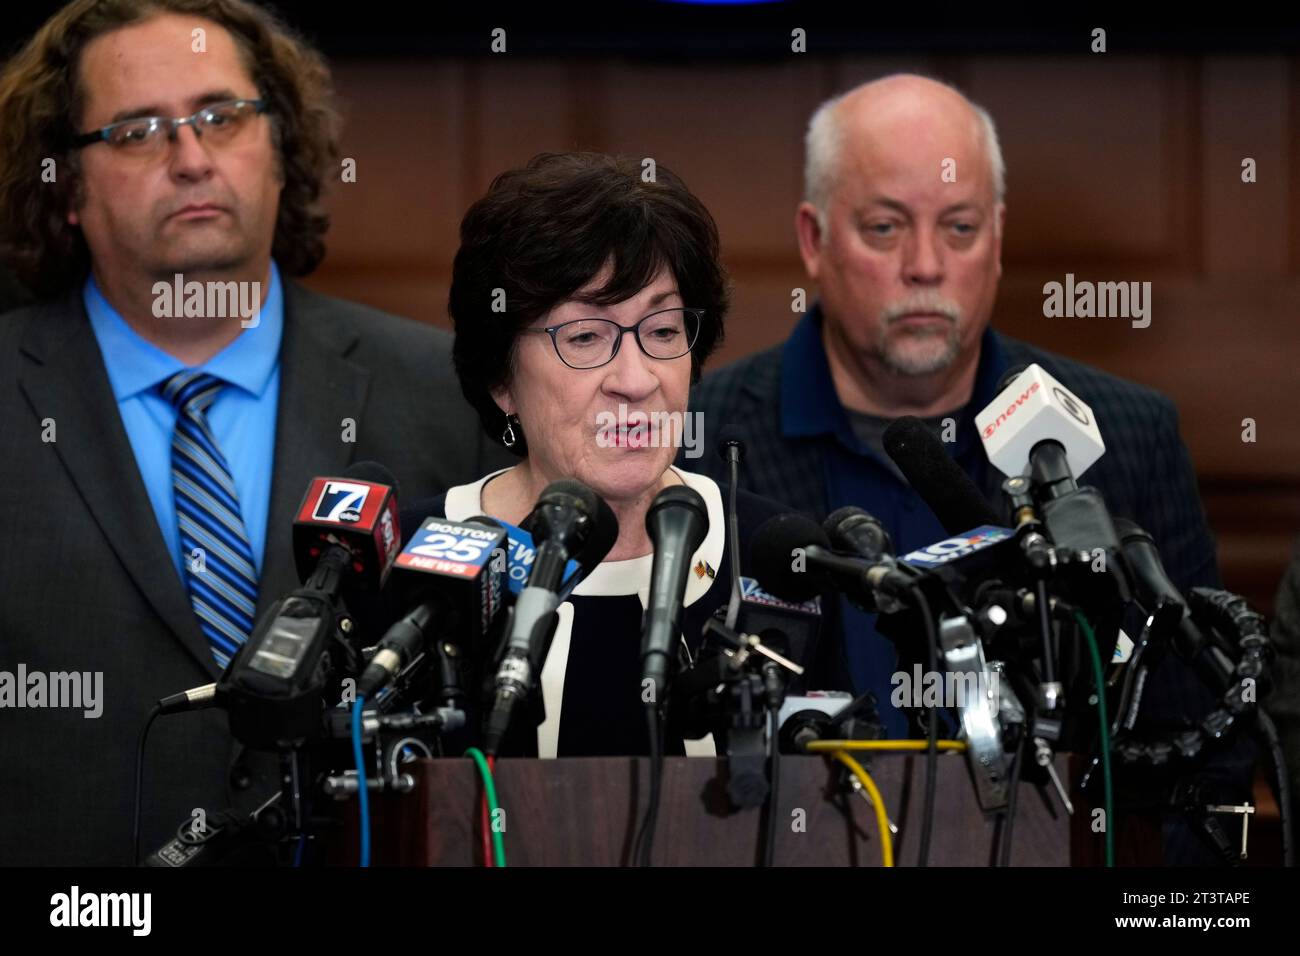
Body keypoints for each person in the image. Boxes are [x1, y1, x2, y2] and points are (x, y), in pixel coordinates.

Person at [686, 74, 1253, 862]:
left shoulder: (1127, 436)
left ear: (998, 236)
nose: (925, 264)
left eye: (959, 227)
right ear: (813, 242)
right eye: (885, 228)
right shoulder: (703, 440)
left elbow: (1203, 761)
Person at [0, 0, 508, 866]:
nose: (192, 158)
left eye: (222, 117)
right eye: (136, 132)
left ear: (282, 152)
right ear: (68, 185)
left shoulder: (448, 394)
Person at [400, 151, 822, 758]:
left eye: (663, 331)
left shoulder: (770, 557)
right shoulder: (420, 556)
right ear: (501, 379)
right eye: (585, 336)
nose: (636, 378)